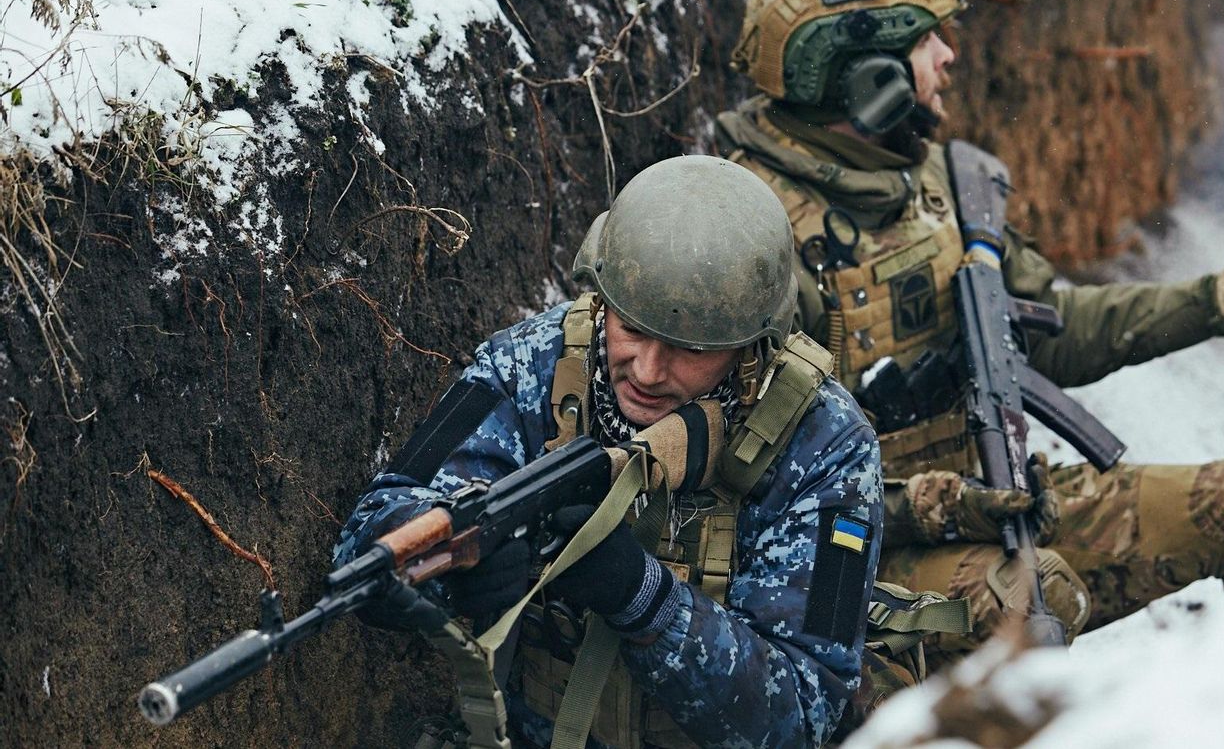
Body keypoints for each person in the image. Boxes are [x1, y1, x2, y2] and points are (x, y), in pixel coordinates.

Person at [717, 0, 1224, 666]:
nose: (950, 55)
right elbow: (748, 488)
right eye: (926, 40)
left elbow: (1049, 335)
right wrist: (906, 459)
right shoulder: (748, 232)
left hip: (1001, 501)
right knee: (1031, 599)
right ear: (866, 74)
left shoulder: (939, 184)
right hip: (848, 556)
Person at [333, 156, 883, 748]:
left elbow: (804, 715)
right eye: (634, 329)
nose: (647, 371)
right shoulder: (532, 363)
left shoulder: (825, 445)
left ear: (750, 348)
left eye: (687, 348)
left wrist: (645, 599)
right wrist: (457, 565)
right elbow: (369, 534)